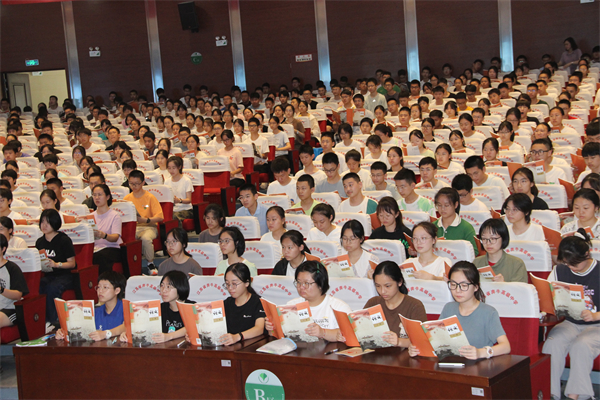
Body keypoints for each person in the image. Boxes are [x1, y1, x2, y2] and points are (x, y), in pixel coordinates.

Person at [409, 261, 511, 360]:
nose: (458, 290)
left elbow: (506, 346)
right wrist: (417, 348)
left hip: (478, 366)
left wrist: (480, 352)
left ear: (476, 287)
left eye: (464, 285)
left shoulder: (488, 312)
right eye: (453, 285)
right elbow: (436, 340)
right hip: (450, 364)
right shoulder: (449, 308)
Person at [542, 231, 600, 400]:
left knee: (581, 345)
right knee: (552, 343)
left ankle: (575, 396)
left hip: (596, 325)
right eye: (567, 263)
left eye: (575, 263)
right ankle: (550, 393)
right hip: (569, 322)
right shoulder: (559, 270)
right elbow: (548, 296)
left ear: (587, 254)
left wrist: (595, 316)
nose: (571, 267)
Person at [265, 261, 352, 341]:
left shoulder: (339, 307)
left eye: (306, 283)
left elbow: (350, 333)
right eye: (298, 282)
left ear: (320, 284)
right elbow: (280, 336)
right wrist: (272, 328)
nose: (301, 287)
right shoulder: (292, 306)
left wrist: (323, 333)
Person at [363, 261, 427, 347]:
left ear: (399, 282)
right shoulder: (373, 303)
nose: (382, 291)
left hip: (404, 354)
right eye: (378, 286)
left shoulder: (414, 306)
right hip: (375, 353)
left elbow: (422, 340)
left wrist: (399, 342)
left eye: (388, 286)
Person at [55, 271, 126, 342]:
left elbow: (127, 326)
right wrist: (63, 332)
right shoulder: (95, 311)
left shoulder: (126, 308)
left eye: (105, 287)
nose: (100, 291)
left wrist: (106, 334)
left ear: (117, 290)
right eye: (99, 287)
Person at [36, 209, 77, 328]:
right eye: (42, 222)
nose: (44, 225)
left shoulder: (64, 240)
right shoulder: (40, 242)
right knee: (38, 286)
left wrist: (56, 264)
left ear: (55, 223)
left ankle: (54, 322)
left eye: (48, 222)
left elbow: (72, 263)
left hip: (66, 275)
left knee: (52, 288)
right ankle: (42, 321)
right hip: (49, 275)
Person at [124, 170, 164, 273]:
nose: (134, 186)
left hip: (149, 227)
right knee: (125, 239)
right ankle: (129, 266)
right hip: (134, 227)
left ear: (143, 183)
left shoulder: (150, 197)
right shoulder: (127, 199)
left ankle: (150, 264)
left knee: (146, 239)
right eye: (131, 183)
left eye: (136, 184)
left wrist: (146, 220)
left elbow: (160, 217)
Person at [219, 263, 266, 345]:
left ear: (247, 283)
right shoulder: (226, 303)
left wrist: (238, 337)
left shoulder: (258, 302)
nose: (230, 288)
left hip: (253, 346)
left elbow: (259, 328)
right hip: (230, 347)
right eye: (227, 284)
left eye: (234, 284)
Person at [433, 188, 478, 255]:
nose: (442, 209)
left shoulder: (466, 227)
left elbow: (474, 252)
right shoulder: (432, 227)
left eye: (447, 205)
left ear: (456, 205)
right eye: (439, 205)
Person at [90, 184, 123, 274]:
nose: (97, 198)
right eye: (94, 195)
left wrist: (104, 235)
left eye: (100, 195)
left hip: (112, 248)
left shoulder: (114, 215)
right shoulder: (90, 216)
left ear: (107, 197)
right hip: (95, 248)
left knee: (100, 257)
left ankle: (103, 280)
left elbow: (115, 237)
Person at [0, 234, 29, 331]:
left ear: (3, 249)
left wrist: (1, 290)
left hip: (9, 309)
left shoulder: (12, 268)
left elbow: (18, 295)